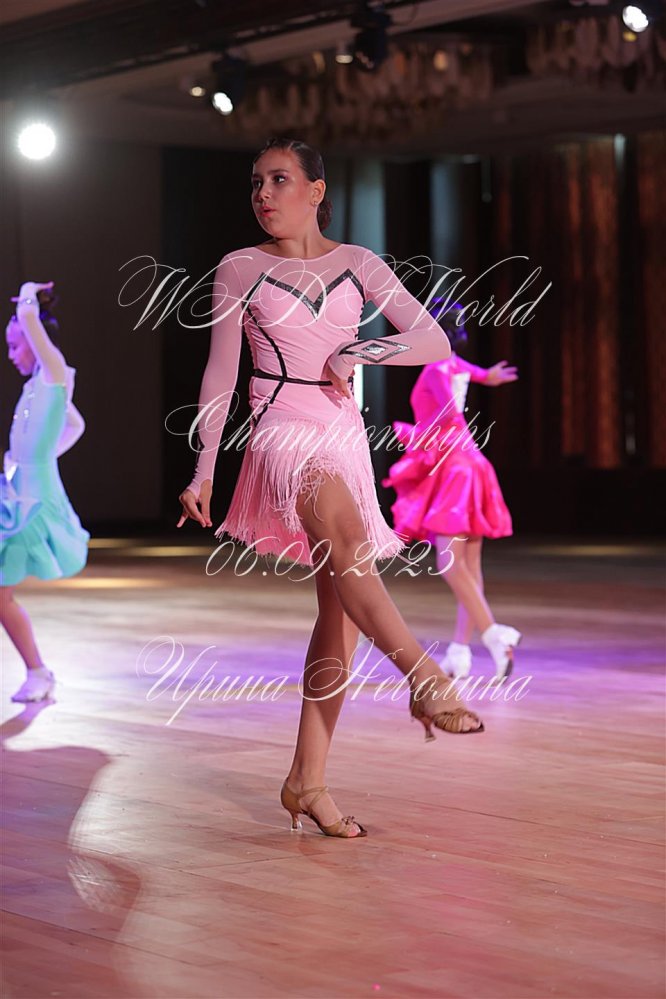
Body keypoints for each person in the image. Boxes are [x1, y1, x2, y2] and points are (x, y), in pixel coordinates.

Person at [177, 137, 485, 840]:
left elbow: (433, 340)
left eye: (279, 179)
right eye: (256, 182)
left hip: (342, 435)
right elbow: (221, 372)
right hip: (280, 429)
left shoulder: (360, 263)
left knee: (339, 614)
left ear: (316, 190)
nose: (263, 193)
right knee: (348, 544)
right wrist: (204, 466)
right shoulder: (239, 267)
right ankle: (426, 679)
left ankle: (306, 780)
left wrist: (360, 349)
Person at [382, 299, 521, 682]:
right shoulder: (453, 363)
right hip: (471, 463)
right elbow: (478, 375)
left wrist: (414, 435)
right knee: (469, 569)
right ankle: (460, 652)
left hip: (455, 466)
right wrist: (490, 376)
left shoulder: (435, 369)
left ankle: (493, 634)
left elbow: (450, 417)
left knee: (449, 561)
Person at [1, 281, 89, 703]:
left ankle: (38, 671)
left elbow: (28, 315)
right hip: (20, 493)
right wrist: (33, 457)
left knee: (1, 592)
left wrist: (28, 292)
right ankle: (37, 671)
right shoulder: (36, 385)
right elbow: (75, 425)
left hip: (35, 501)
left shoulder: (54, 372)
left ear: (35, 342)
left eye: (15, 345)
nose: (10, 354)